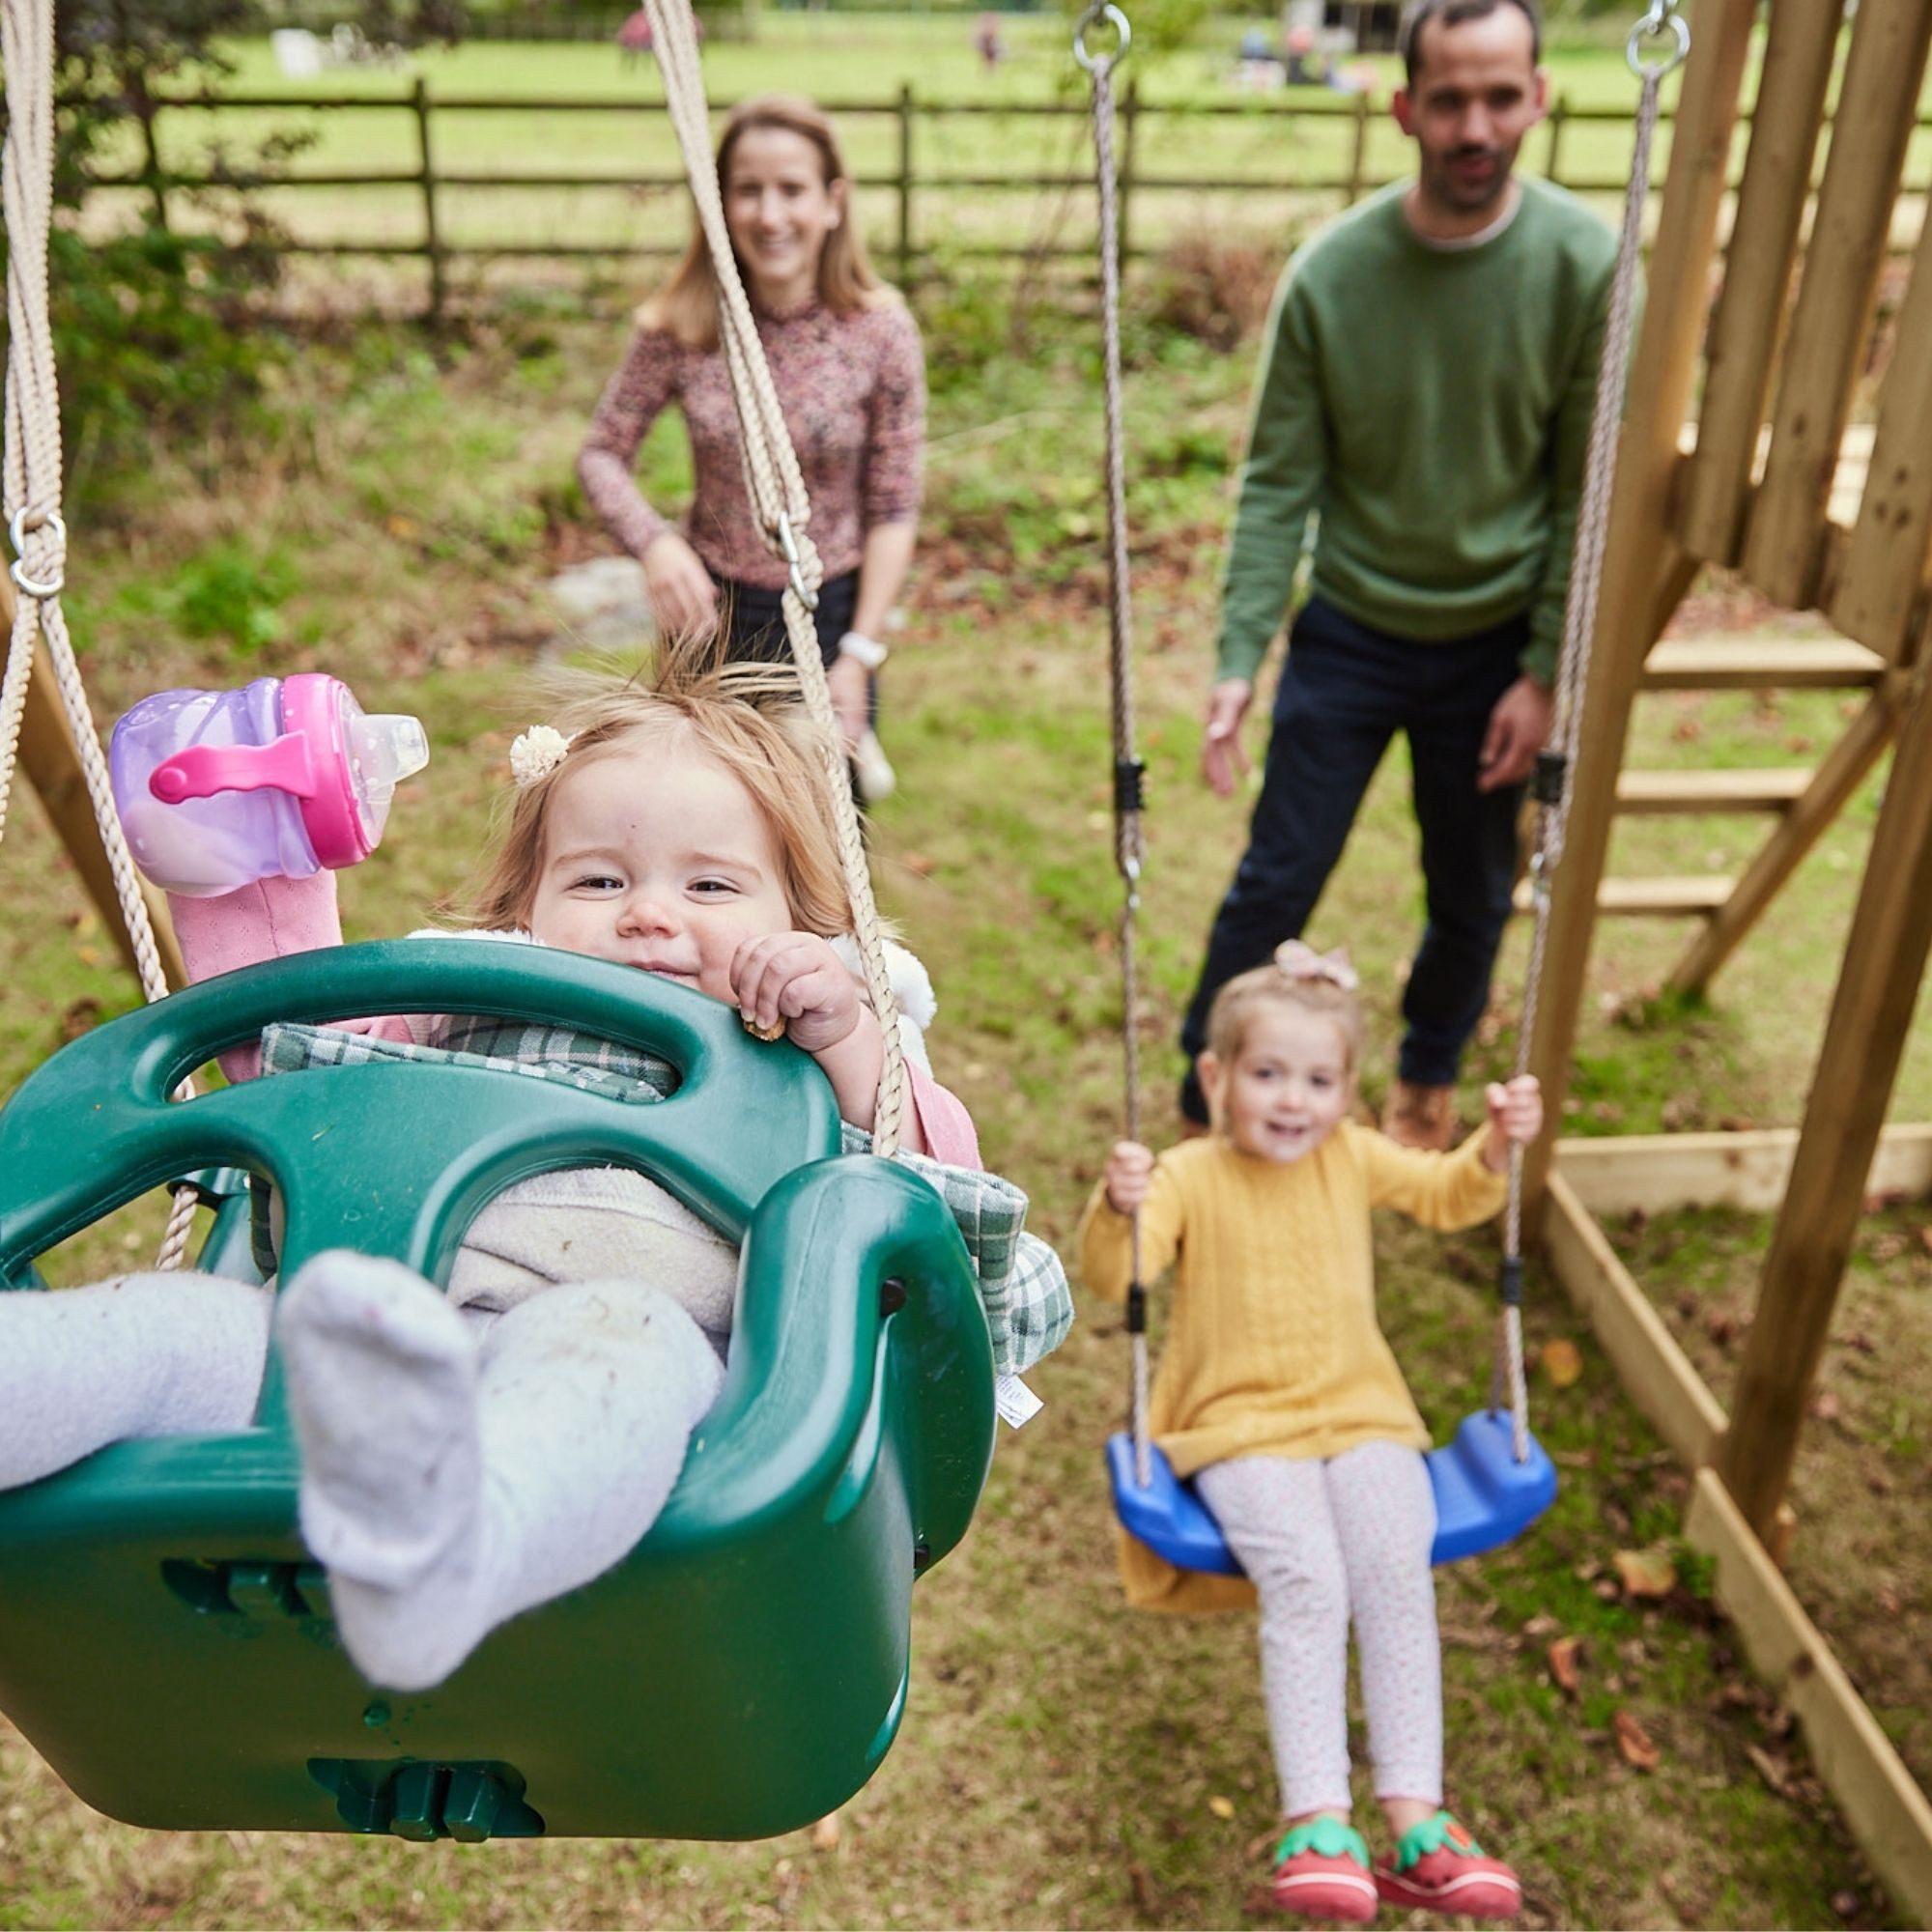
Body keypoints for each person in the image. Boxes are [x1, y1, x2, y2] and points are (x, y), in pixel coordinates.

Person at [0, 653, 1014, 1695]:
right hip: (369, 1343)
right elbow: (288, 1055)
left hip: (646, 1344)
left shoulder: (806, 1047)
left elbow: (926, 1192)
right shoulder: (465, 1007)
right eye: (597, 879)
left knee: (608, 1354)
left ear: (800, 924)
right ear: (524, 909)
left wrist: (846, 1038)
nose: (649, 915)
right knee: (169, 1326)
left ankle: (450, 1550)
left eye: (710, 884)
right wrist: (246, 864)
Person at [1179, 0, 1617, 1151]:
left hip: (1493, 641)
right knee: (1278, 873)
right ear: (1403, 105)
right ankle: (1201, 1091)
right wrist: (1238, 657)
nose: (1473, 124)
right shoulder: (1334, 274)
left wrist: (1542, 671)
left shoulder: (1585, 262)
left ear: (1536, 97)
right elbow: (1277, 487)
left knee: (1471, 891)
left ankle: (1425, 1075)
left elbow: (1587, 491)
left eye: (1498, 95)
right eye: (1448, 98)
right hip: (1354, 628)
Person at [1083, 943, 1542, 1920]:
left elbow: (1447, 1193)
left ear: (1346, 1091)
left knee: (1390, 1563)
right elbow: (1117, 1269)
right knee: (1307, 1576)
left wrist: (1496, 1145)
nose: (1292, 1100)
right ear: (1214, 1077)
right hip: (1236, 1428)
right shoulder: (1186, 1173)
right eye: (1265, 1073)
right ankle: (1317, 1823)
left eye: (1319, 1079)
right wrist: (1115, 1201)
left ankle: (1420, 1818)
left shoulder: (1349, 1155)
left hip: (1362, 1415)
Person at [579, 95, 919, 803]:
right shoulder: (683, 326)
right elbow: (601, 453)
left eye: (791, 189)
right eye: (748, 190)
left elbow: (894, 507)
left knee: (822, 836)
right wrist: (656, 546)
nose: (770, 215)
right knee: (703, 826)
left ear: (832, 202)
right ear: (719, 203)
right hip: (711, 618)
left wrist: (858, 654)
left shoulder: (879, 331)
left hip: (829, 619)